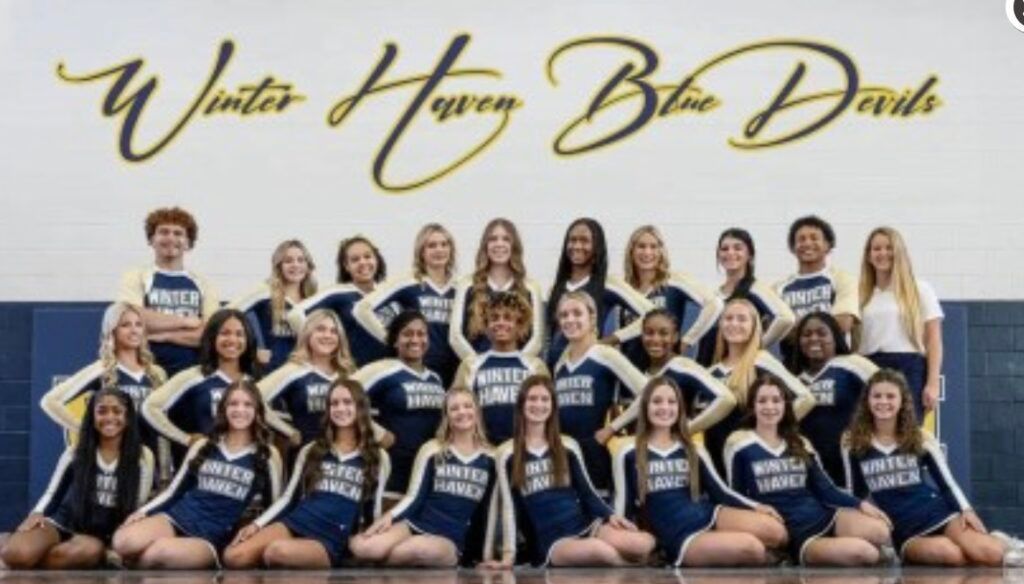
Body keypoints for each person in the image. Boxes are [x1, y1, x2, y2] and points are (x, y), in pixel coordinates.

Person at [843, 369, 1013, 566]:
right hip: (905, 530)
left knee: (990, 554)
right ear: (867, 400)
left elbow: (946, 483)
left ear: (902, 401)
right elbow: (853, 493)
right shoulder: (853, 441)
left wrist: (966, 510)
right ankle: (984, 543)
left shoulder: (920, 437)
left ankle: (1000, 543)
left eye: (890, 396)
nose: (883, 402)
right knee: (951, 556)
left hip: (937, 512)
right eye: (877, 396)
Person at [613, 376, 788, 567]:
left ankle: (731, 549)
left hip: (707, 513)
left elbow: (720, 492)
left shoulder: (693, 449)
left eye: (672, 402)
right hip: (679, 533)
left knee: (776, 532)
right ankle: (738, 552)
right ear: (645, 407)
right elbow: (623, 506)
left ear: (680, 408)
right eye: (657, 401)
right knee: (751, 548)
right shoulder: (628, 452)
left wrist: (756, 506)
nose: (665, 407)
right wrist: (626, 532)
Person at [112, 379, 283, 569]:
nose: (240, 410)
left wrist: (254, 528)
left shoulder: (266, 454)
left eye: (247, 404)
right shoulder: (204, 445)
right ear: (223, 409)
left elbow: (274, 505)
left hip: (209, 537)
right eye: (233, 403)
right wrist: (143, 512)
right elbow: (174, 491)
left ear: (258, 410)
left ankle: (134, 568)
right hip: (177, 517)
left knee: (158, 552)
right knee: (123, 541)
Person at [724, 374, 892, 566]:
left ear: (785, 405)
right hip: (793, 531)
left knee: (880, 531)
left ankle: (846, 549)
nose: (770, 407)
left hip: (823, 514)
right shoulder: (739, 442)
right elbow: (735, 495)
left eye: (776, 400)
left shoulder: (799, 441)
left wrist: (860, 505)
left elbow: (824, 489)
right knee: (864, 553)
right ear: (752, 406)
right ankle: (792, 554)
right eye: (762, 401)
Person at [222, 379, 389, 569]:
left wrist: (364, 544)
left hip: (329, 537)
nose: (340, 408)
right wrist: (256, 525)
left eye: (347, 402)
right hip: (296, 521)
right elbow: (288, 498)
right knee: (233, 556)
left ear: (360, 407)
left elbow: (373, 510)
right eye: (334, 403)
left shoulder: (377, 456)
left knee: (277, 552)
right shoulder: (312, 450)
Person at [491, 375, 655, 567]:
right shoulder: (507, 453)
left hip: (585, 524)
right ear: (521, 404)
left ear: (552, 405)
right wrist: (508, 557)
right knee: (600, 551)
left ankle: (646, 554)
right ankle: (637, 569)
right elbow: (509, 508)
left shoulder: (568, 445)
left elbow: (587, 493)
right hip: (552, 541)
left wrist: (611, 516)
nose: (539, 405)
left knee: (640, 544)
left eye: (545, 399)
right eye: (532, 399)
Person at [2, 389, 153, 569]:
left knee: (86, 552)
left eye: (117, 411)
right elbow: (53, 493)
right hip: (65, 521)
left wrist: (117, 543)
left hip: (98, 536)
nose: (109, 417)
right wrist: (37, 514)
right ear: (92, 416)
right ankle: (16, 546)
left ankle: (30, 554)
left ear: (128, 417)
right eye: (102, 411)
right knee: (15, 554)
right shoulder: (76, 451)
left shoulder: (142, 456)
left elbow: (137, 507)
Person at [349, 387, 497, 567]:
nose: (462, 412)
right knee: (364, 546)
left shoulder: (491, 458)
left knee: (411, 550)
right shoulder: (432, 449)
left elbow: (489, 511)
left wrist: (485, 555)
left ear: (477, 411)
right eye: (454, 408)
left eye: (467, 406)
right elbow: (414, 496)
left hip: (450, 538)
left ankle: (385, 562)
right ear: (446, 416)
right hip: (416, 524)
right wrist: (389, 517)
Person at [40, 302, 166, 468]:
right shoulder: (101, 369)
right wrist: (87, 430)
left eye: (138, 324)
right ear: (112, 330)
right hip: (114, 459)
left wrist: (165, 469)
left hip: (150, 460)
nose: (134, 330)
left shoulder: (157, 373)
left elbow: (162, 425)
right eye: (125, 325)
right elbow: (50, 401)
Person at [705, 298, 814, 476]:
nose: (734, 324)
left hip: (753, 461)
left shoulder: (761, 360)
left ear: (754, 326)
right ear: (720, 324)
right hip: (718, 459)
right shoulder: (710, 372)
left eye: (742, 319)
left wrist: (769, 432)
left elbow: (806, 398)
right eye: (729, 318)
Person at [552, 291, 647, 492]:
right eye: (564, 315)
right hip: (565, 451)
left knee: (600, 513)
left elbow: (649, 393)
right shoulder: (560, 363)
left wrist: (611, 428)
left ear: (592, 318)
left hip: (596, 449)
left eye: (577, 313)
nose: (570, 320)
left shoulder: (605, 354)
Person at [351, 310, 446, 501]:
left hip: (427, 469)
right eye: (407, 333)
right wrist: (377, 432)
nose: (415, 339)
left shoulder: (435, 378)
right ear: (395, 340)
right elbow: (342, 396)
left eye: (421, 334)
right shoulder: (383, 369)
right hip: (393, 468)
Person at [117, 207, 220, 377]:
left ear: (188, 242)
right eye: (163, 232)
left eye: (178, 233)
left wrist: (164, 335)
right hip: (144, 370)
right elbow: (134, 320)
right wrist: (186, 322)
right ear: (152, 239)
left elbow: (210, 334)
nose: (171, 238)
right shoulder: (136, 276)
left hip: (191, 373)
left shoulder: (204, 283)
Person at [143, 309, 260, 457]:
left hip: (241, 471)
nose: (232, 339)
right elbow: (150, 408)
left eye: (239, 334)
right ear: (212, 337)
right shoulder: (194, 376)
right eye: (225, 333)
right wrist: (186, 439)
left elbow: (266, 418)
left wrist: (292, 433)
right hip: (201, 467)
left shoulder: (253, 381)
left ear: (248, 339)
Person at [355, 223, 460, 386]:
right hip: (418, 365)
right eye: (432, 245)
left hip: (453, 368)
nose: (439, 250)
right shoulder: (409, 282)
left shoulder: (459, 287)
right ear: (421, 252)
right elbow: (362, 309)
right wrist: (390, 340)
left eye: (444, 244)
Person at [857, 227, 944, 420]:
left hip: (909, 366)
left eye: (889, 248)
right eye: (876, 249)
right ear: (869, 256)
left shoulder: (919, 289)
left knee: (908, 432)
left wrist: (932, 383)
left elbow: (933, 340)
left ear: (899, 252)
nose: (883, 253)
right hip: (869, 366)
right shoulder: (861, 295)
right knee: (869, 431)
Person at [545, 218, 654, 368]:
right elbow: (548, 335)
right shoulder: (555, 288)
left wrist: (613, 339)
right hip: (557, 369)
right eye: (572, 240)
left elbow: (653, 314)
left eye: (584, 241)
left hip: (590, 368)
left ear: (597, 246)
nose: (577, 246)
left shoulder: (607, 284)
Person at [787, 312, 877, 485]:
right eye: (806, 334)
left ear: (835, 337)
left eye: (822, 333)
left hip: (852, 457)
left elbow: (890, 389)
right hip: (814, 463)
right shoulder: (795, 379)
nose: (813, 338)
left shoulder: (852, 364)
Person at [619, 225, 722, 367]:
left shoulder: (673, 281)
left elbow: (715, 304)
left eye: (653, 247)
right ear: (631, 251)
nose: (647, 252)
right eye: (641, 246)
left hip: (665, 370)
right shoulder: (624, 289)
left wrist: (687, 340)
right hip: (632, 369)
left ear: (661, 251)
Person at [453, 292, 549, 444]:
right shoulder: (470, 365)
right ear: (486, 325)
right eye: (494, 318)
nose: (500, 323)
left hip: (522, 450)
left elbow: (547, 412)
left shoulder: (535, 366)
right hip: (483, 449)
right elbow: (456, 409)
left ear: (520, 324)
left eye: (508, 318)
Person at [449, 218, 545, 360]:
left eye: (506, 239)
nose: (499, 244)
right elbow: (455, 336)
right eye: (493, 239)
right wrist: (477, 365)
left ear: (514, 246)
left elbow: (537, 339)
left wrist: (518, 364)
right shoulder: (467, 284)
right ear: (485, 246)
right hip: (477, 373)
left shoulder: (530, 287)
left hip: (518, 374)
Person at [258, 310, 356, 448]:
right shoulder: (294, 370)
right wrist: (288, 431)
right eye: (320, 329)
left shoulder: (348, 374)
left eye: (334, 331)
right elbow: (251, 396)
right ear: (307, 334)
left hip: (344, 457)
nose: (327, 335)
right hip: (307, 457)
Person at [696, 228, 794, 366]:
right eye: (725, 249)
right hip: (710, 368)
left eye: (738, 248)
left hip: (740, 371)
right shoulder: (714, 296)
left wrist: (756, 347)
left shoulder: (755, 289)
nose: (730, 253)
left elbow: (786, 318)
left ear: (750, 255)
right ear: (718, 255)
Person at [289, 235, 389, 367]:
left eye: (367, 256)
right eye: (355, 259)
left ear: (376, 259)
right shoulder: (339, 293)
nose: (363, 262)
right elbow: (295, 315)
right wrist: (323, 353)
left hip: (391, 372)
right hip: (357, 375)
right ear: (346, 266)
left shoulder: (387, 293)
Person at [639, 309, 734, 435]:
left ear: (675, 337)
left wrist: (687, 430)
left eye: (663, 333)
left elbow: (727, 400)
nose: (655, 339)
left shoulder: (684, 367)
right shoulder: (637, 369)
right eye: (649, 333)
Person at [229, 239, 318, 372]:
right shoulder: (265, 293)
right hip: (273, 374)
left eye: (301, 260)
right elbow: (225, 316)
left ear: (308, 265)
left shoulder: (315, 299)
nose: (296, 265)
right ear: (279, 266)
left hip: (306, 373)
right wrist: (252, 351)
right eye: (288, 261)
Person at [775, 215, 859, 336]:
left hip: (834, 355)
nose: (807, 243)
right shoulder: (778, 288)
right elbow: (773, 331)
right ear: (793, 247)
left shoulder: (844, 279)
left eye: (814, 238)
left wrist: (794, 326)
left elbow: (843, 323)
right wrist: (825, 323)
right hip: (790, 354)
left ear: (827, 245)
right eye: (801, 239)